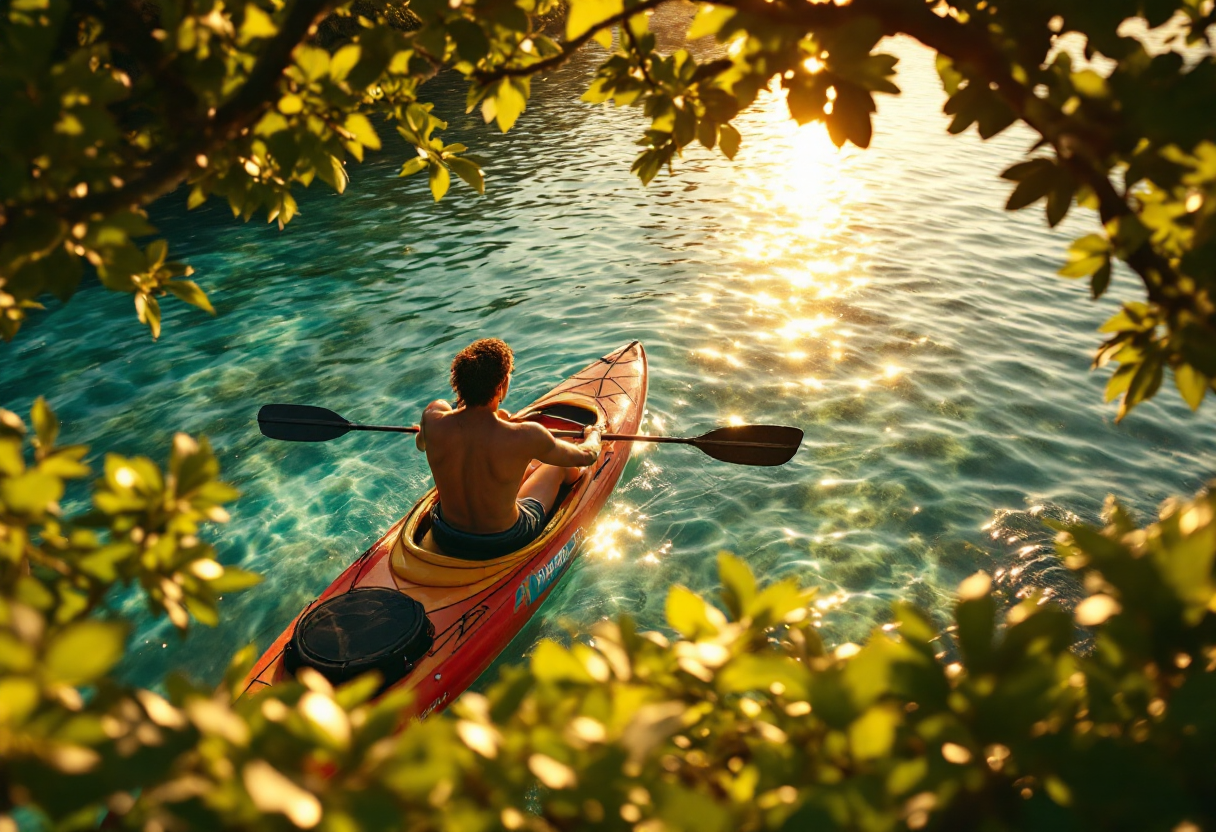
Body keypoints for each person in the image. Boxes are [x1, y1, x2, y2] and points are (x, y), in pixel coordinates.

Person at [416, 338, 602, 560]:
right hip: (503, 541)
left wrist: (425, 431)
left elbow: (421, 445)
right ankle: (571, 487)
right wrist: (594, 434)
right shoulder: (526, 435)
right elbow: (587, 456)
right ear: (502, 384)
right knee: (556, 466)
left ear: (458, 382)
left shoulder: (433, 418)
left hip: (447, 535)